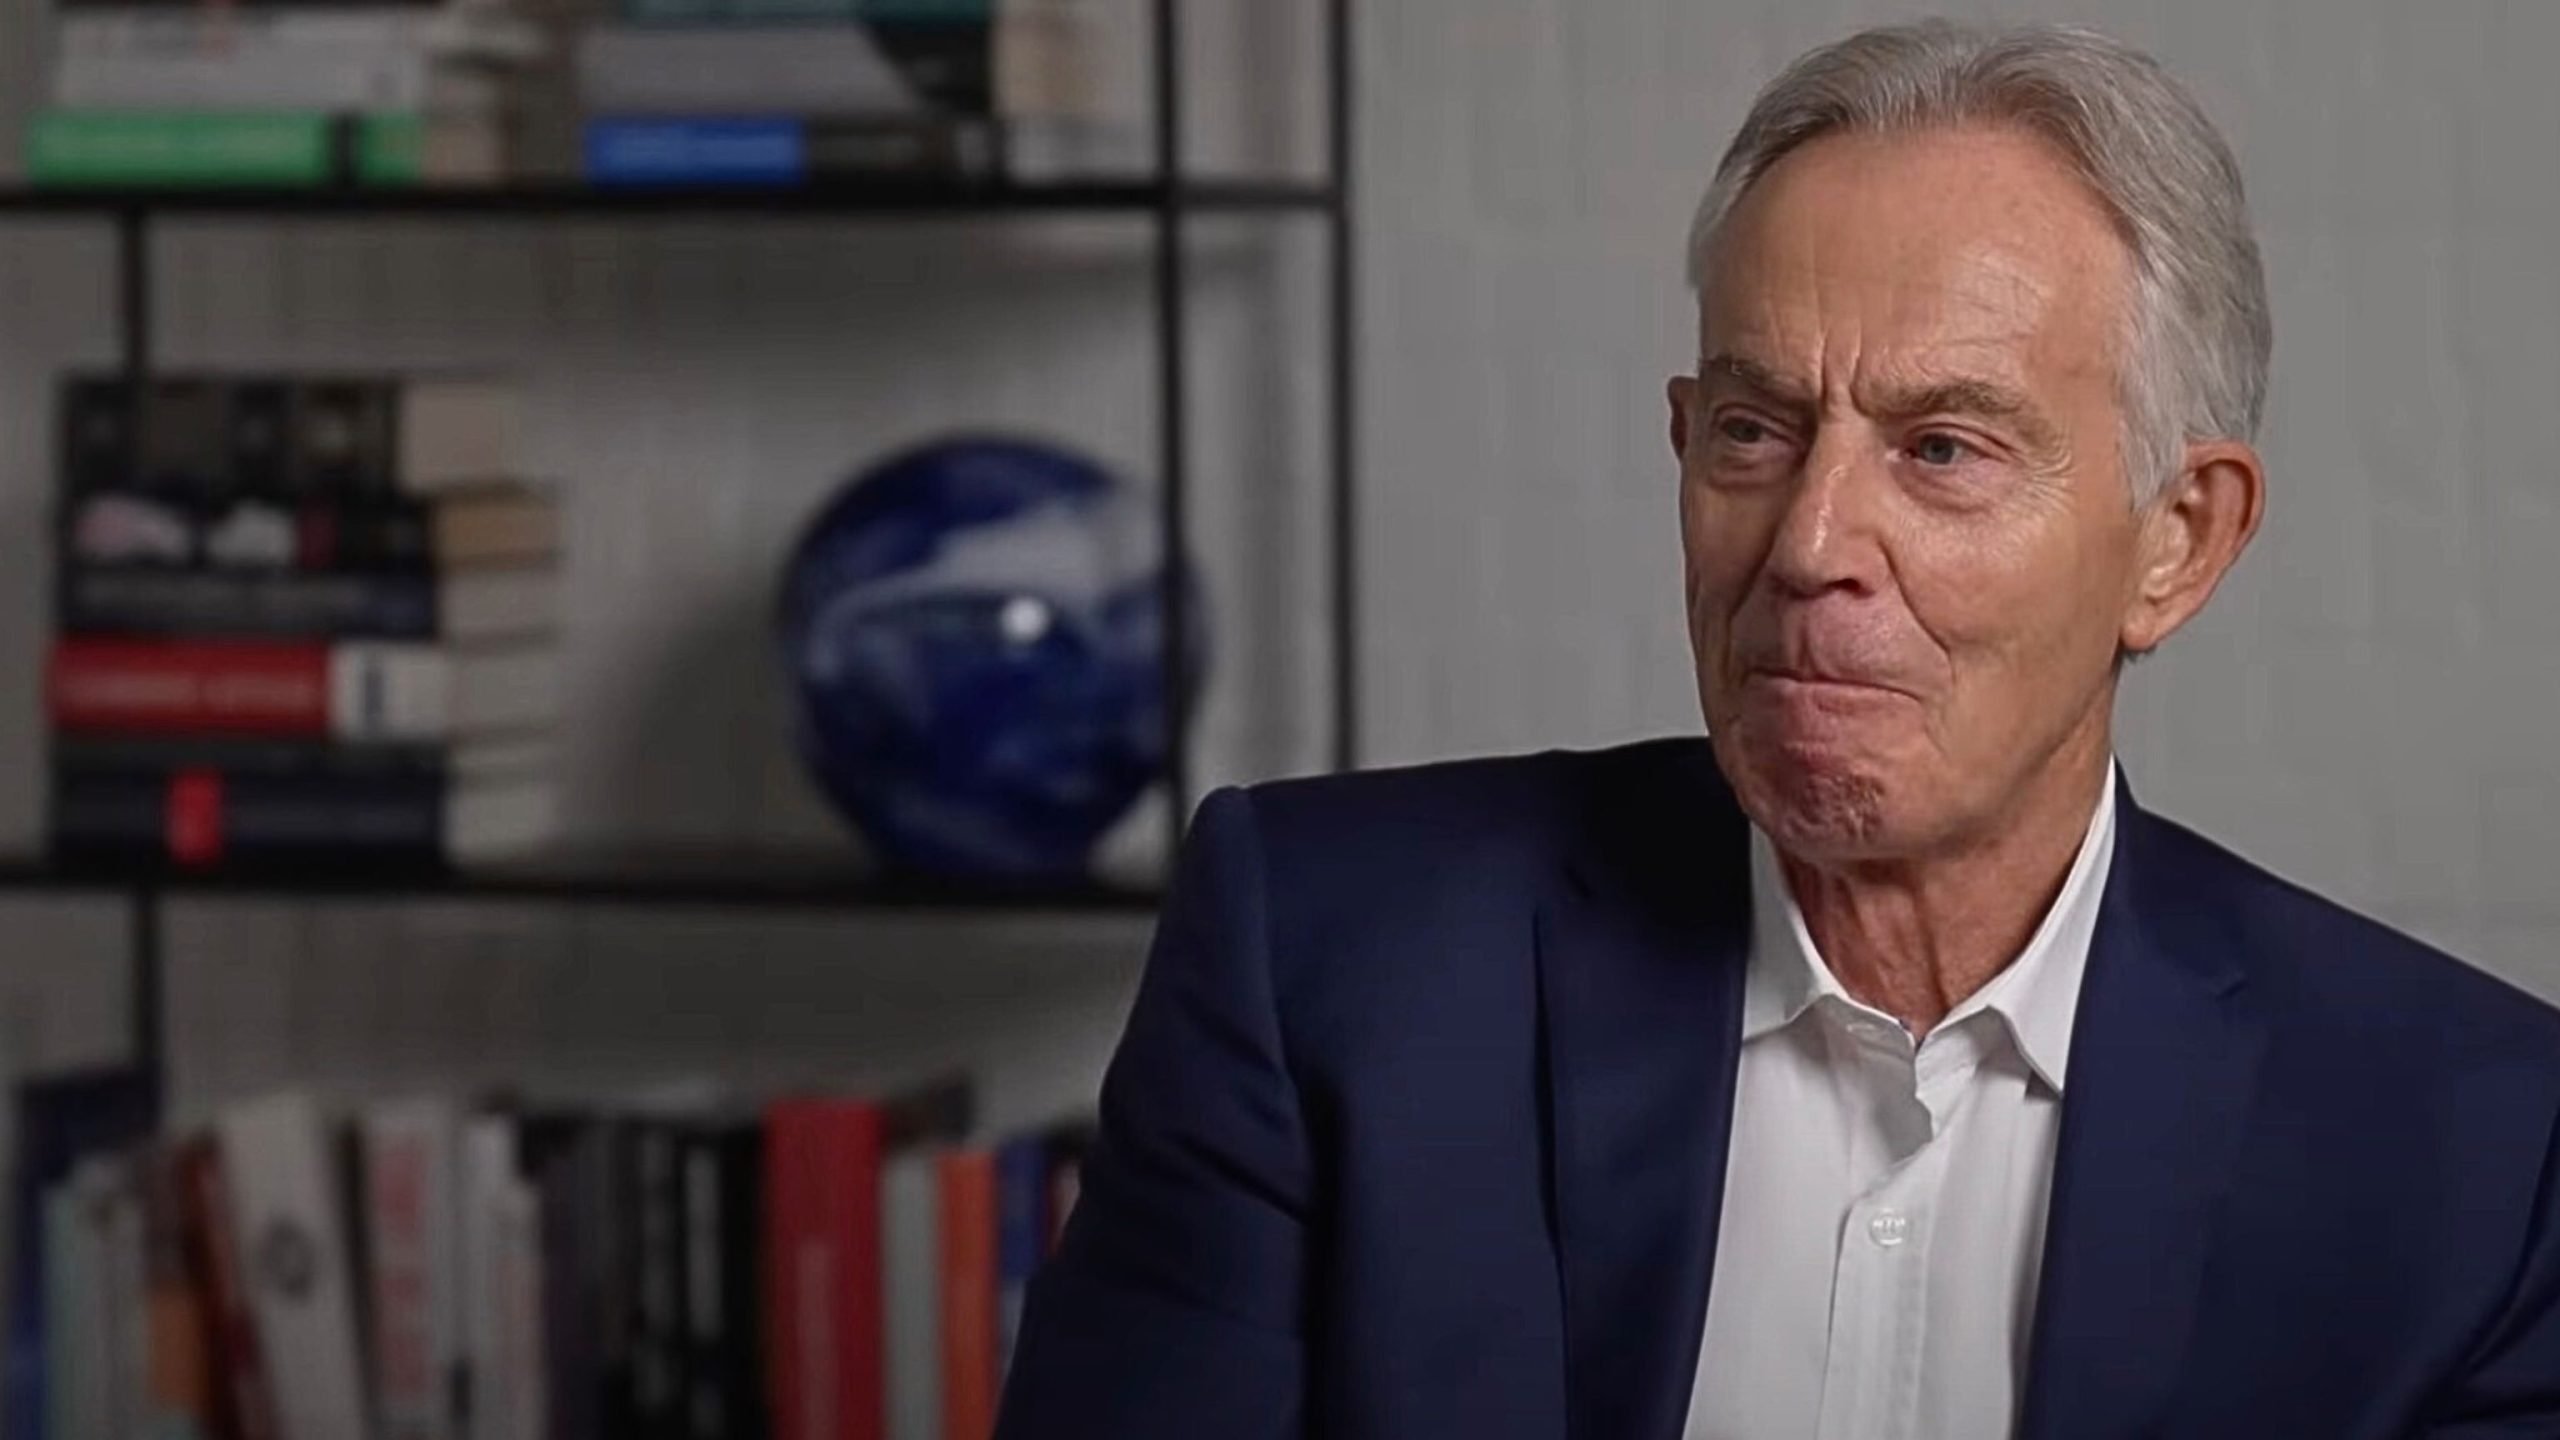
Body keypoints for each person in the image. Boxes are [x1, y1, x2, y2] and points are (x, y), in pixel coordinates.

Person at [994, 20, 2560, 1440]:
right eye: (1754, 430)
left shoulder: (2470, 1153)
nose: (1809, 542)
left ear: (2179, 542)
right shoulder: (1318, 965)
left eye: (1942, 448)